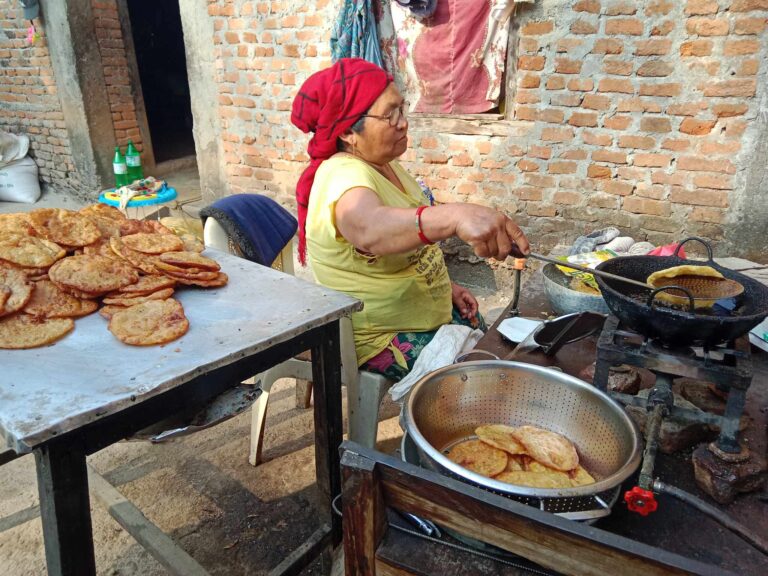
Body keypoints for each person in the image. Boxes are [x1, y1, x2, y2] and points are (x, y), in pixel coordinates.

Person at [291, 58, 529, 382]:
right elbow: (369, 227)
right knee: (479, 386)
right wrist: (455, 215)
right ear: (348, 130)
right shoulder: (341, 174)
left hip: (426, 314)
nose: (403, 123)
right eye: (390, 115)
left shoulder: (384, 164)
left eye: (402, 109)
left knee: (497, 353)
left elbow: (407, 241)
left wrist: (447, 288)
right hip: (383, 336)